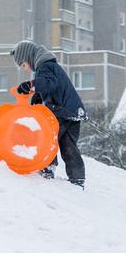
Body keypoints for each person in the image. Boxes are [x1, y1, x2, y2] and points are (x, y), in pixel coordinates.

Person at [11, 40, 87, 189]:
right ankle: (77, 178)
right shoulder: (51, 66)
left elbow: (48, 83)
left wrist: (31, 85)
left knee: (48, 138)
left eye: (23, 65)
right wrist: (39, 96)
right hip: (72, 110)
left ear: (28, 57)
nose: (25, 69)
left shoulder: (44, 66)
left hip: (62, 111)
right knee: (68, 145)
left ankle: (47, 169)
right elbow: (52, 86)